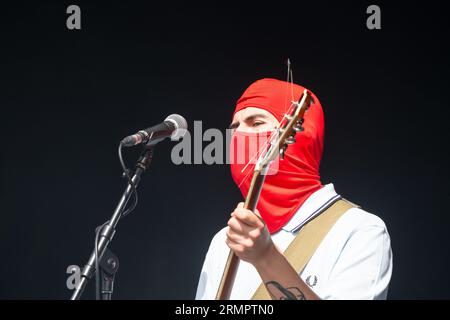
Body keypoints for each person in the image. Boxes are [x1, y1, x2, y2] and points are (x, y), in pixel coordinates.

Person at [195, 78, 393, 300]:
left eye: (256, 123)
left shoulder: (358, 229)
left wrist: (266, 257)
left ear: (297, 134)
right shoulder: (224, 241)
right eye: (234, 127)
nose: (240, 136)